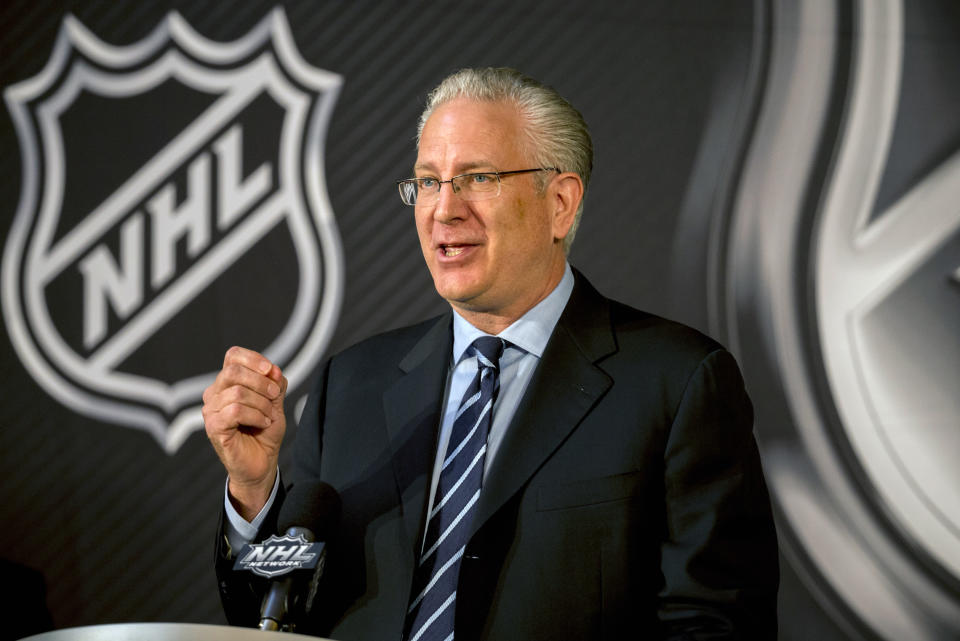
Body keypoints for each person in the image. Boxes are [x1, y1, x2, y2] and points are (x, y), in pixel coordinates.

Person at [203, 67, 779, 640]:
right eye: (428, 182)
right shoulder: (349, 387)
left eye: (477, 178)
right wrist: (254, 494)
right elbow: (277, 623)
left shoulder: (676, 383)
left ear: (560, 202)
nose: (444, 209)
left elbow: (715, 626)